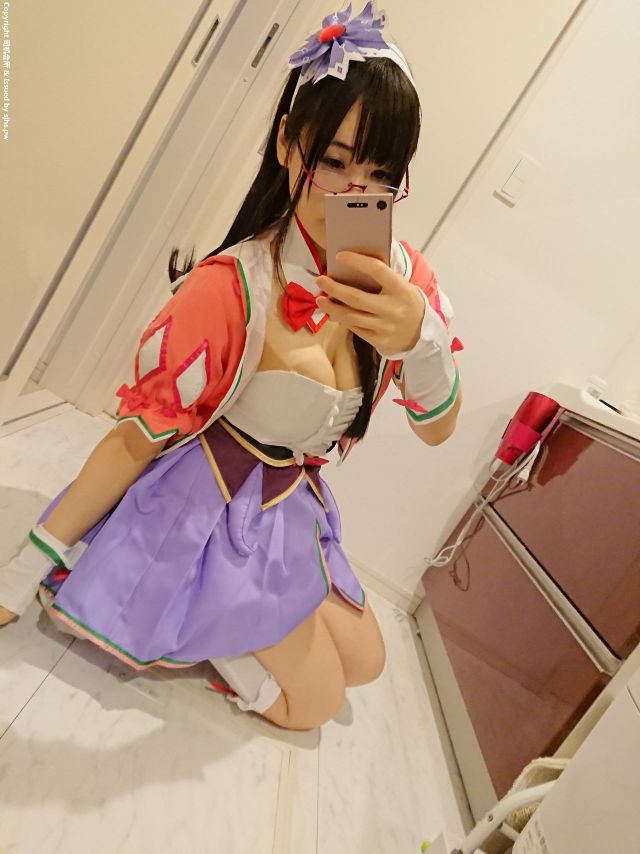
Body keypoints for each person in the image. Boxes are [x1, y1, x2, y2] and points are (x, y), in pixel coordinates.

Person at [0, 2, 463, 731]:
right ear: (288, 144)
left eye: (379, 173)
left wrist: (420, 342)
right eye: (334, 162)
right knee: (314, 705)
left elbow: (438, 431)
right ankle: (196, 620)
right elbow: (132, 440)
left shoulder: (405, 282)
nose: (354, 194)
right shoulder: (233, 287)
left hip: (287, 502)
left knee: (367, 661)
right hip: (206, 504)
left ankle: (226, 617)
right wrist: (23, 566)